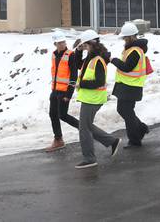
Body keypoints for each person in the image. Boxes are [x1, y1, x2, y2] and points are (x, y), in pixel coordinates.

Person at [74, 29, 121, 169]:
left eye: (86, 45)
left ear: (91, 44)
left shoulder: (98, 59)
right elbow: (78, 65)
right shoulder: (91, 56)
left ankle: (89, 158)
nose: (85, 48)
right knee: (86, 126)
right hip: (89, 98)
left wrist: (81, 84)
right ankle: (112, 141)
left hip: (93, 98)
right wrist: (78, 50)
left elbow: (100, 81)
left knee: (84, 128)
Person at [110, 22, 150, 148]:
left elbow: (127, 67)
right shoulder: (132, 49)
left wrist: (113, 60)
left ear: (130, 37)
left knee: (125, 111)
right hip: (127, 85)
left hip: (131, 87)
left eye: (125, 38)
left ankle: (135, 139)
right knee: (126, 111)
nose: (123, 40)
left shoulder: (135, 51)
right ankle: (141, 129)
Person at [44, 32, 80, 152]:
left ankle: (84, 129)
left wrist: (69, 94)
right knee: (53, 114)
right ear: (55, 44)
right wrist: (53, 90)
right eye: (59, 42)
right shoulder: (54, 55)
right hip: (55, 91)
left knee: (63, 115)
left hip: (64, 92)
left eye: (63, 42)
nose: (62, 44)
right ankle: (58, 139)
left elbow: (74, 76)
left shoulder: (71, 55)